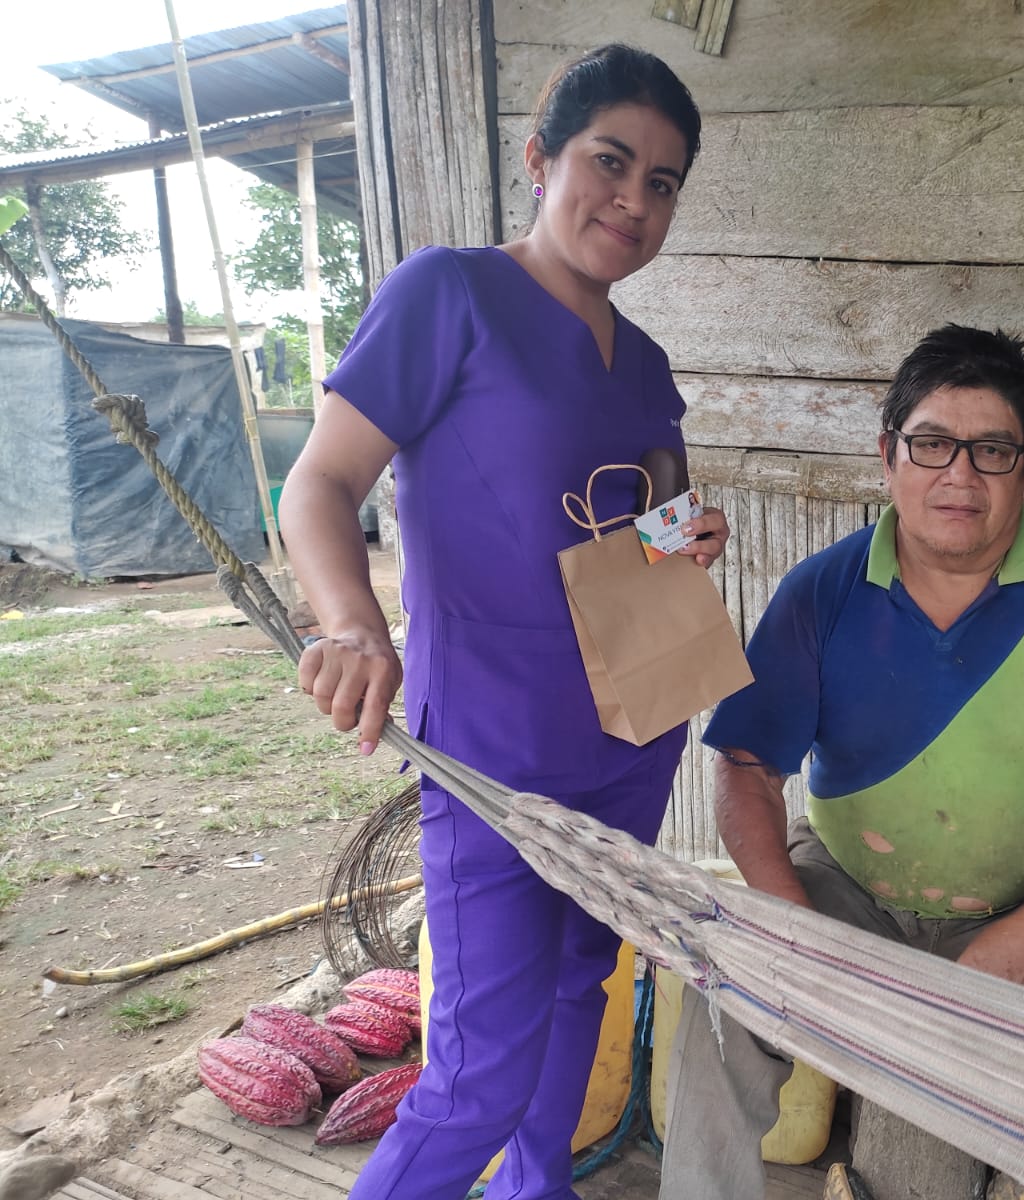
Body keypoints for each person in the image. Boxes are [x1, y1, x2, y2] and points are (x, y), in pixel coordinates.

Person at [278, 44, 726, 1200]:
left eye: (662, 182)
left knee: (582, 983)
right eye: (609, 162)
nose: (633, 200)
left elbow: (656, 525)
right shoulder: (450, 296)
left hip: (631, 737)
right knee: (477, 1073)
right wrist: (352, 624)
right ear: (539, 159)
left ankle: (540, 1188)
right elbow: (319, 483)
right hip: (495, 750)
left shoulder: (648, 365)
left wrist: (687, 537)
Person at [658, 325, 1024, 1200]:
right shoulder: (821, 592)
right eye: (932, 444)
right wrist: (792, 923)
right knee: (727, 984)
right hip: (851, 891)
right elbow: (746, 767)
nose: (960, 476)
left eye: (993, 451)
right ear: (888, 456)